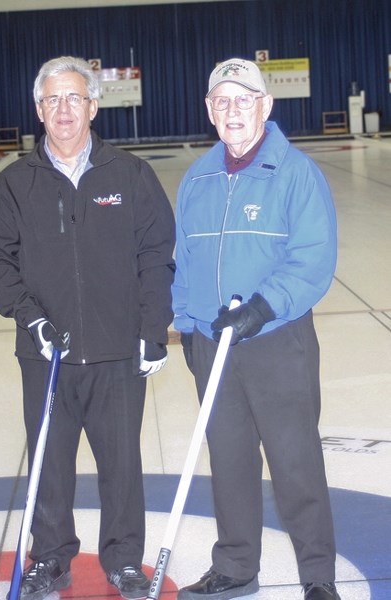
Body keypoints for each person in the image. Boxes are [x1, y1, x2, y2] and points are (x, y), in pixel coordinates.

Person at [0, 56, 175, 600]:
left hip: (116, 355)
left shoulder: (130, 175)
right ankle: (51, 559)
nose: (64, 109)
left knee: (122, 467)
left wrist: (153, 327)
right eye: (53, 100)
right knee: (50, 468)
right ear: (39, 110)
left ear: (93, 105)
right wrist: (29, 316)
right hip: (47, 355)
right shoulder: (14, 185)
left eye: (74, 98)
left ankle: (124, 560)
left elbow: (157, 255)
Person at [172, 58, 341, 600]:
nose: (233, 110)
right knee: (229, 459)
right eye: (222, 101)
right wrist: (185, 329)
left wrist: (262, 309)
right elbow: (183, 262)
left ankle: (318, 575)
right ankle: (237, 566)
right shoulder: (197, 177)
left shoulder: (295, 173)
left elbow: (313, 259)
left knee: (296, 462)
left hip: (275, 340)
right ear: (209, 111)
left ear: (266, 106)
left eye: (244, 99)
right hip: (212, 346)